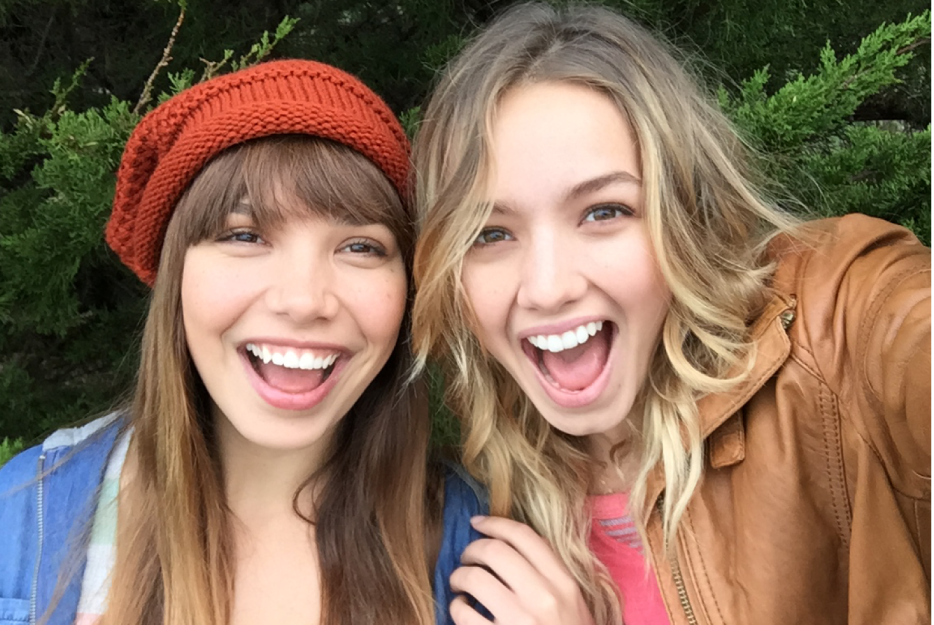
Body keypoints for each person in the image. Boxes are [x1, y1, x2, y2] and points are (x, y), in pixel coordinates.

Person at [411, 3, 932, 624]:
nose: (547, 288)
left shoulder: (836, 332)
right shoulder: (473, 506)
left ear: (687, 213)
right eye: (489, 234)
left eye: (605, 212)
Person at [0, 59, 483, 625]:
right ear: (176, 273)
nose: (304, 300)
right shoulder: (21, 518)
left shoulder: (478, 546)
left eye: (360, 246)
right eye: (245, 235)